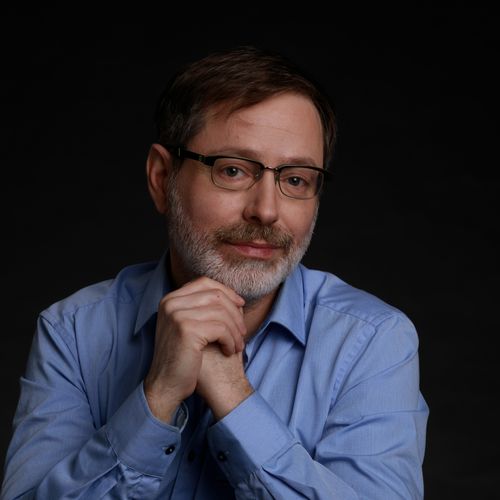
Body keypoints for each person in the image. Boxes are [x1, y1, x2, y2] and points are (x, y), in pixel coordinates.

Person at [1, 45, 428, 499]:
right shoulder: (73, 332)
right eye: (233, 171)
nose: (266, 210)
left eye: (295, 179)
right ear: (162, 178)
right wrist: (158, 397)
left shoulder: (372, 342)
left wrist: (233, 396)